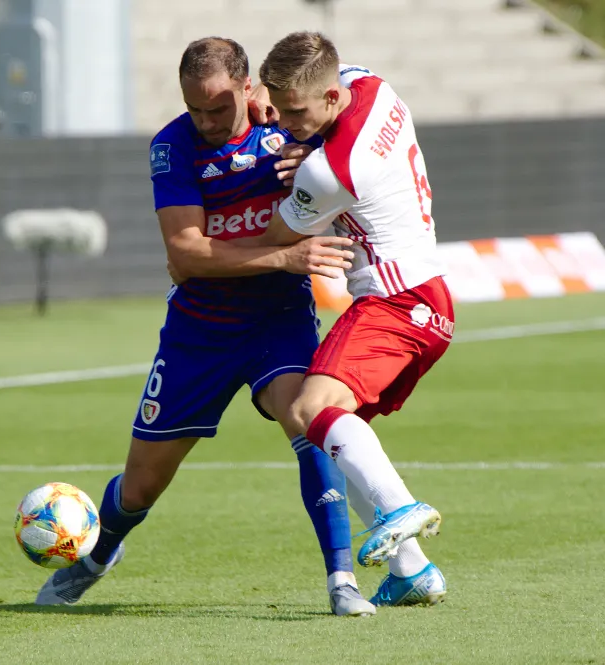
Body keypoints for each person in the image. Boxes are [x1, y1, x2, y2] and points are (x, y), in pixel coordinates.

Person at [34, 37, 376, 617]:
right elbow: (187, 254)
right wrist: (286, 257)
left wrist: (308, 154)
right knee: (140, 487)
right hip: (200, 329)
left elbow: (349, 94)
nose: (207, 121)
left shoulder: (287, 122)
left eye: (218, 108)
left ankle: (342, 579)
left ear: (250, 89)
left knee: (307, 417)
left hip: (277, 317)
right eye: (195, 108)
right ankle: (97, 557)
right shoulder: (172, 146)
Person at [247, 31, 452, 606]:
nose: (283, 123)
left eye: (296, 113)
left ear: (330, 99)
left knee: (307, 408)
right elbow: (322, 100)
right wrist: (297, 131)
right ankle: (412, 572)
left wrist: (302, 167)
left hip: (394, 299)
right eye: (278, 109)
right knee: (334, 436)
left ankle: (401, 510)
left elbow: (280, 237)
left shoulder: (330, 170)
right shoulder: (370, 84)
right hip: (424, 295)